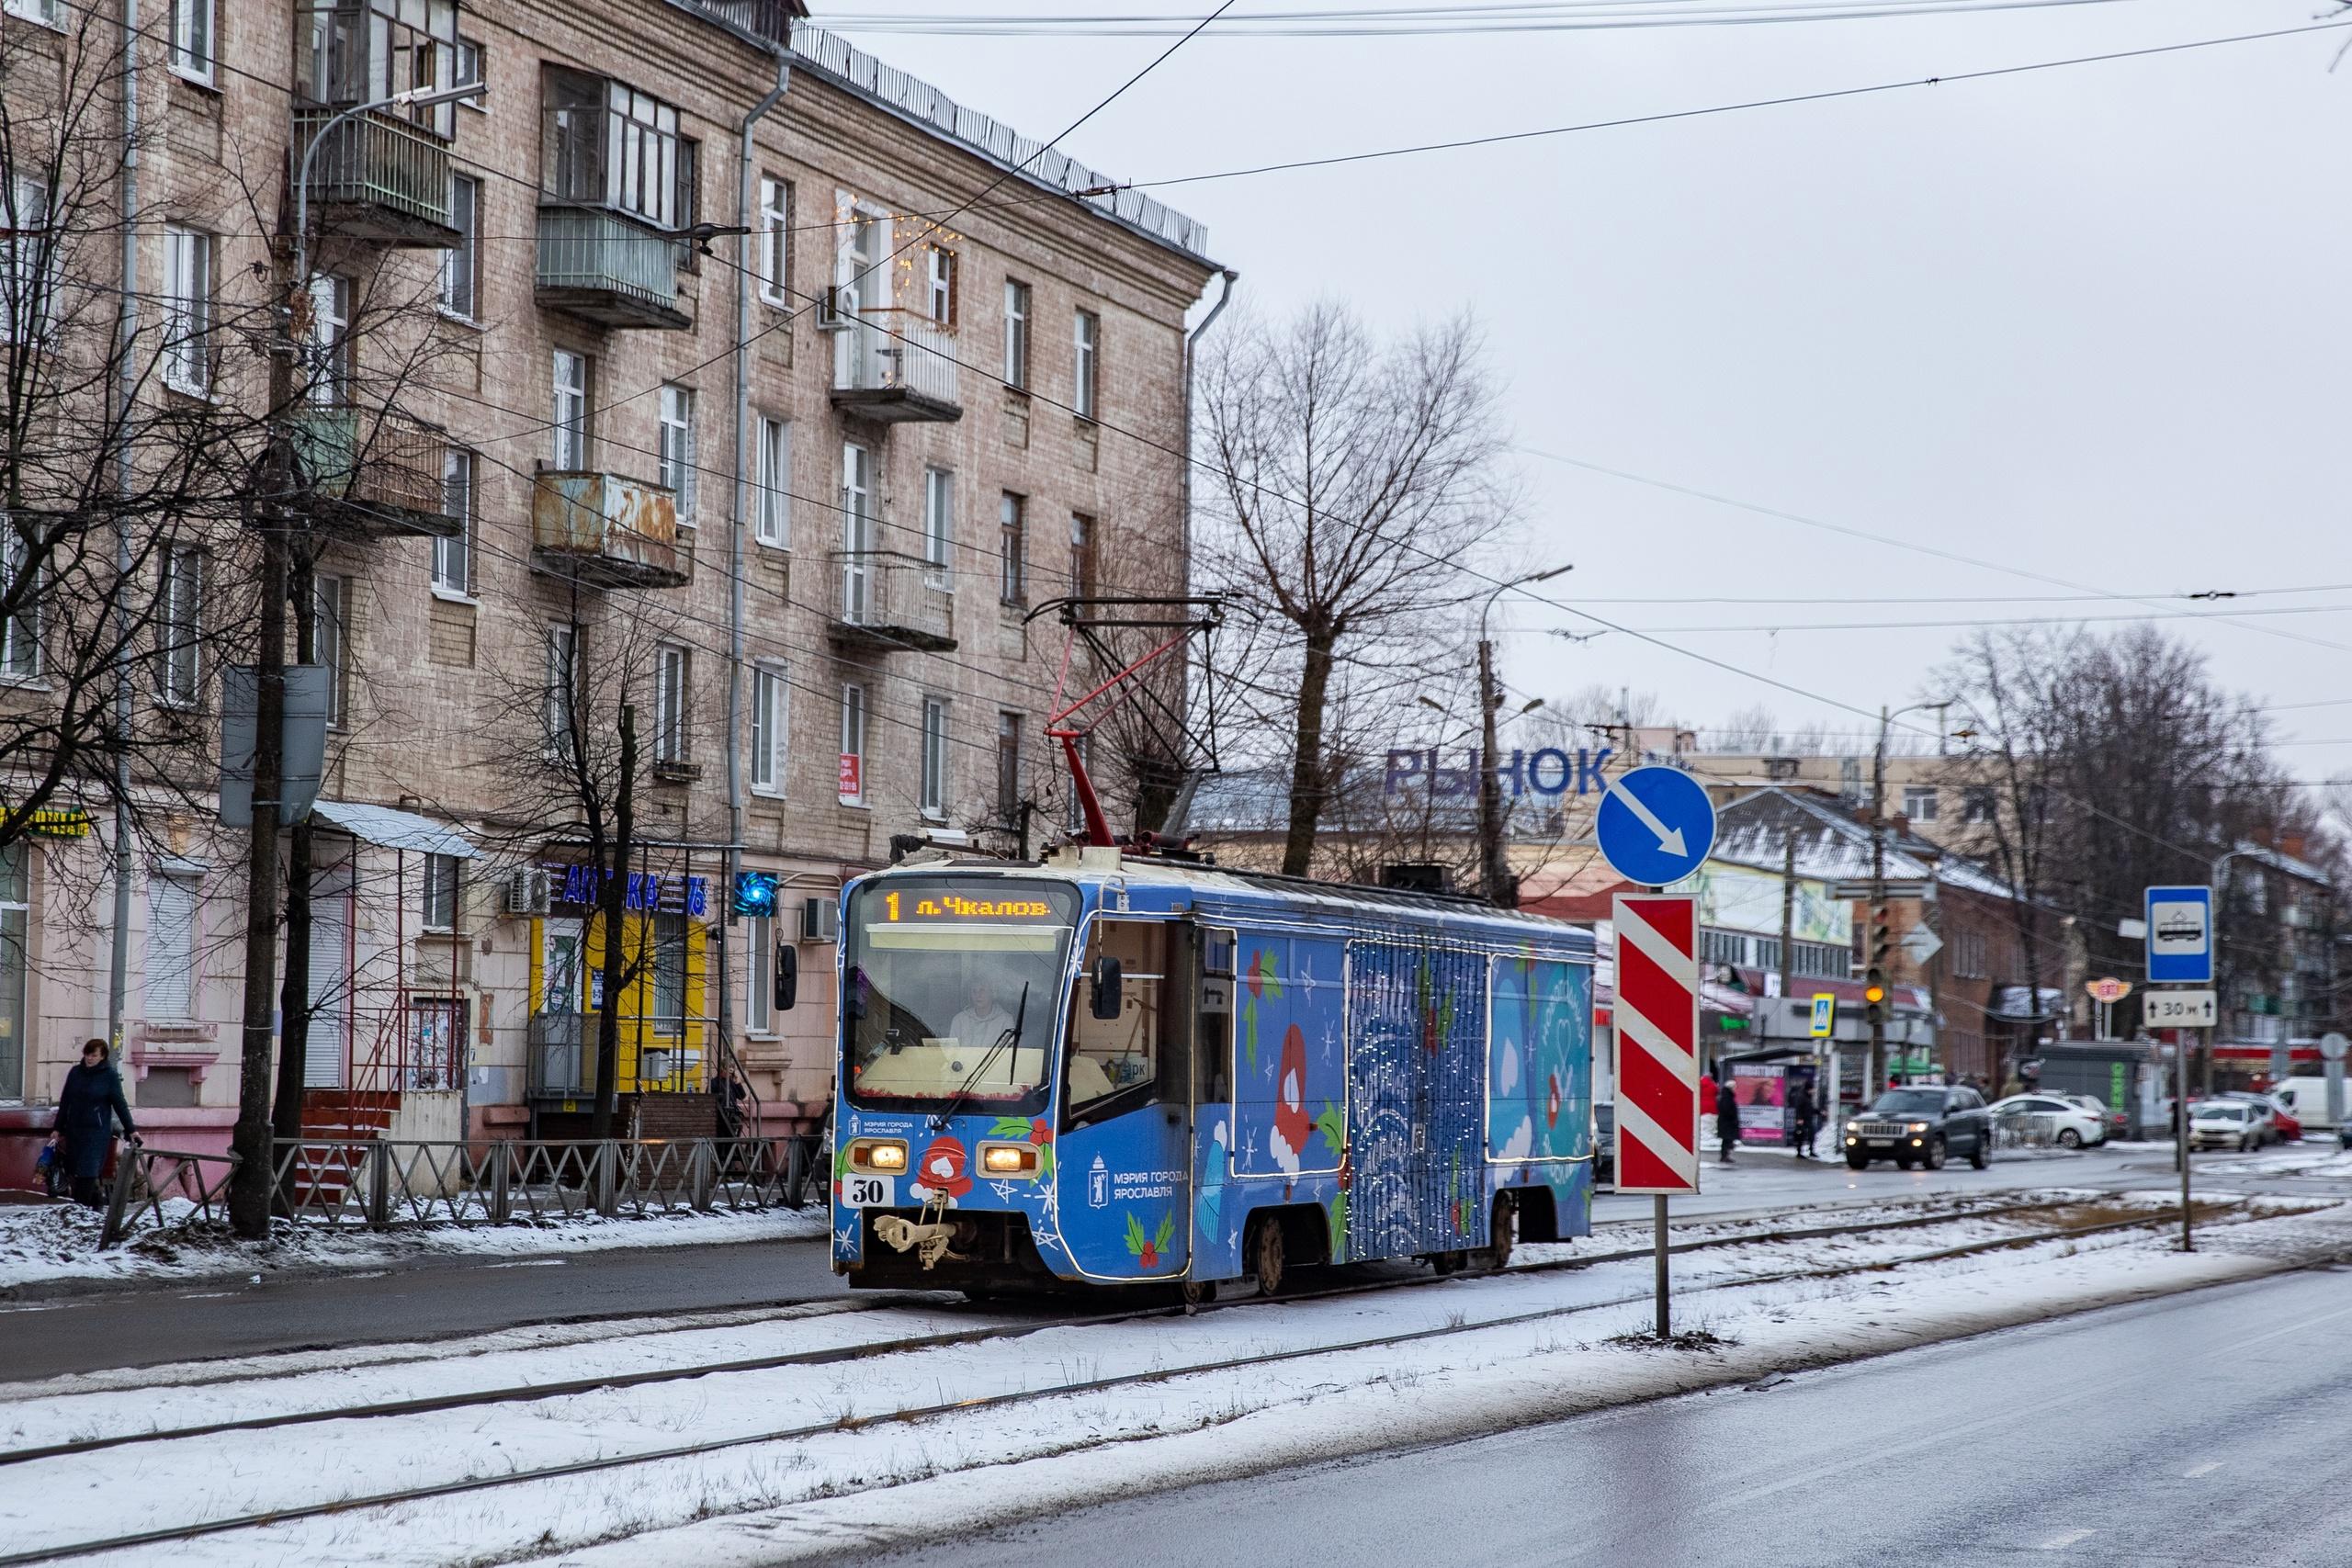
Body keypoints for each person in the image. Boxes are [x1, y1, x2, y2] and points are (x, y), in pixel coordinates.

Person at [46, 1038, 137, 1209]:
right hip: (75, 1129)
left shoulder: (109, 1076)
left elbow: (120, 1103)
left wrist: (131, 1129)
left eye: (94, 1055)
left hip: (96, 1131)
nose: (89, 1058)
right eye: (87, 1054)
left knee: (88, 1170)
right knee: (74, 1170)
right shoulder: (75, 1073)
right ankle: (95, 1204)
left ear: (102, 1056)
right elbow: (65, 1101)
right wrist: (57, 1128)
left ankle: (80, 1210)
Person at [947, 974, 1015, 1049]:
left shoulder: (1006, 1020)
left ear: (992, 993)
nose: (978, 995)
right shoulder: (959, 1020)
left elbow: (1008, 1053)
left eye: (982, 990)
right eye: (974, 991)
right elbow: (952, 1053)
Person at [715, 1060, 752, 1141]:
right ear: (722, 1069)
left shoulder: (731, 1082)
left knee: (735, 1132)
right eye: (728, 1069)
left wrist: (737, 1082)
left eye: (731, 1070)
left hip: (732, 1114)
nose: (730, 1072)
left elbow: (742, 1096)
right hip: (721, 1116)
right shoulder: (714, 1082)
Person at [1715, 1076, 1740, 1164]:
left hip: (1726, 1122)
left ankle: (1725, 1155)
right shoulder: (1727, 1097)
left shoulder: (1726, 1095)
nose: (1735, 1089)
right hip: (1727, 1123)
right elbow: (1726, 1109)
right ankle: (1725, 1156)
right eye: (1734, 1087)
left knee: (1727, 1140)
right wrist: (1732, 1117)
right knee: (1727, 1140)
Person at [1792, 1085, 1818, 1158]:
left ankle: (1811, 1151)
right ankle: (1799, 1152)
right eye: (1812, 1090)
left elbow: (1810, 1109)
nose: (1813, 1091)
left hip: (1808, 1119)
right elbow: (1799, 1108)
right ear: (1808, 1089)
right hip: (1802, 1120)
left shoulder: (1808, 1097)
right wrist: (1799, 1119)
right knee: (1801, 1135)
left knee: (1811, 1135)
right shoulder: (1802, 1097)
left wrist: (1819, 1112)